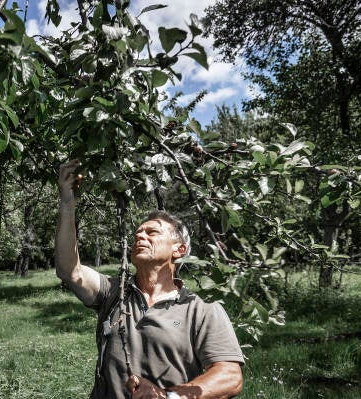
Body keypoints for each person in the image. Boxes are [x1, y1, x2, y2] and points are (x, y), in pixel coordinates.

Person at [55, 160, 244, 399]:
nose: (140, 236)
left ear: (179, 249)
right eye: (138, 233)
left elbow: (230, 376)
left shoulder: (201, 309)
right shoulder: (113, 292)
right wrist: (67, 202)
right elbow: (69, 270)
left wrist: (169, 397)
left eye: (152, 232)